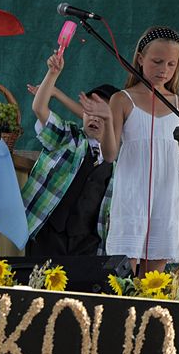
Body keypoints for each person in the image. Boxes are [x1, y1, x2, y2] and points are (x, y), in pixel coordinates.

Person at [106, 26, 179, 275]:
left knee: (155, 280)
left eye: (171, 64)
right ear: (140, 59)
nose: (163, 69)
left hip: (167, 199)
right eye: (156, 61)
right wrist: (104, 122)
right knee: (123, 273)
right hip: (132, 197)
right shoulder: (122, 99)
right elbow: (110, 154)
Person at [22, 52, 117, 258]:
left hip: (88, 243)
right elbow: (39, 108)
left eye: (102, 114)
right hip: (48, 234)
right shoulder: (68, 137)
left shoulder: (118, 160)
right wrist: (52, 74)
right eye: (89, 110)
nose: (95, 118)